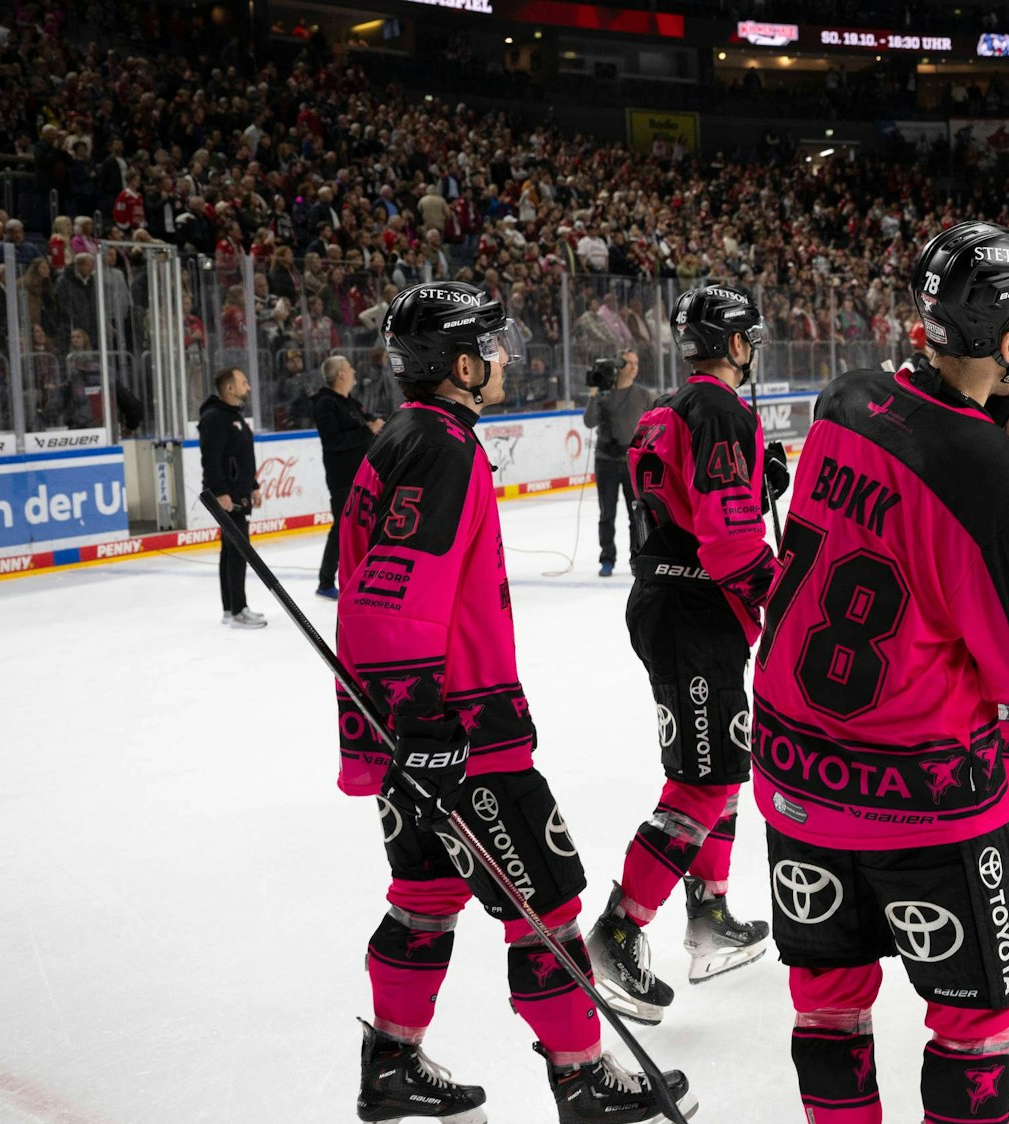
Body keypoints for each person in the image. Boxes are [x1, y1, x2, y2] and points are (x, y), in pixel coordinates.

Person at [338, 281, 692, 1123]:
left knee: (425, 896)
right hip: (459, 730)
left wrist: (400, 727)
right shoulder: (442, 448)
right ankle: (581, 1075)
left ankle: (392, 1063)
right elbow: (391, 596)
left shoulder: (406, 437)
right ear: (461, 366)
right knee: (548, 903)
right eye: (489, 348)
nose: (503, 359)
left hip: (408, 731)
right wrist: (425, 722)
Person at [750, 221, 1009, 1124]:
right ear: (1007, 342)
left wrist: (987, 431)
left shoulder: (843, 400)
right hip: (924, 794)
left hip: (793, 772)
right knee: (975, 1021)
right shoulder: (1002, 482)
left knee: (828, 1003)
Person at [585, 287, 782, 1025]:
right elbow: (729, 542)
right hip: (694, 613)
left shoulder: (668, 409)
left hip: (678, 607)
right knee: (700, 784)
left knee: (721, 771)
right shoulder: (722, 412)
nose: (753, 349)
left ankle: (710, 914)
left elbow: (682, 503)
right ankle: (618, 932)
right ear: (733, 344)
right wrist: (784, 597)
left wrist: (758, 483)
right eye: (748, 338)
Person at [312, 355, 382, 599]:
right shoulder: (326, 404)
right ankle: (325, 581)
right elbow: (333, 441)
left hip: (362, 474)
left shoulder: (349, 401)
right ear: (341, 374)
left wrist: (374, 423)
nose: (353, 371)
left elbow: (363, 420)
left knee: (363, 525)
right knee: (342, 527)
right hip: (342, 477)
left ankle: (362, 574)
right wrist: (367, 430)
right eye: (350, 368)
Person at [583, 348, 657, 577]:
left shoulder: (644, 395)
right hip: (605, 460)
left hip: (632, 461)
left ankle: (638, 556)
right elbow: (589, 421)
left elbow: (656, 424)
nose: (634, 367)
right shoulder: (603, 392)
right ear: (618, 365)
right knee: (607, 513)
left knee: (636, 513)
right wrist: (593, 396)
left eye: (636, 362)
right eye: (629, 363)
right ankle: (607, 558)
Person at [200, 367, 264, 629]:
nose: (248, 387)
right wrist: (220, 492)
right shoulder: (215, 417)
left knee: (231, 549)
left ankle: (230, 608)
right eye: (243, 382)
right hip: (228, 495)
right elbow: (211, 459)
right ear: (229, 388)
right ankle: (238, 610)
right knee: (239, 550)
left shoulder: (234, 415)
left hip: (240, 491)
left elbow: (242, 456)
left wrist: (253, 485)